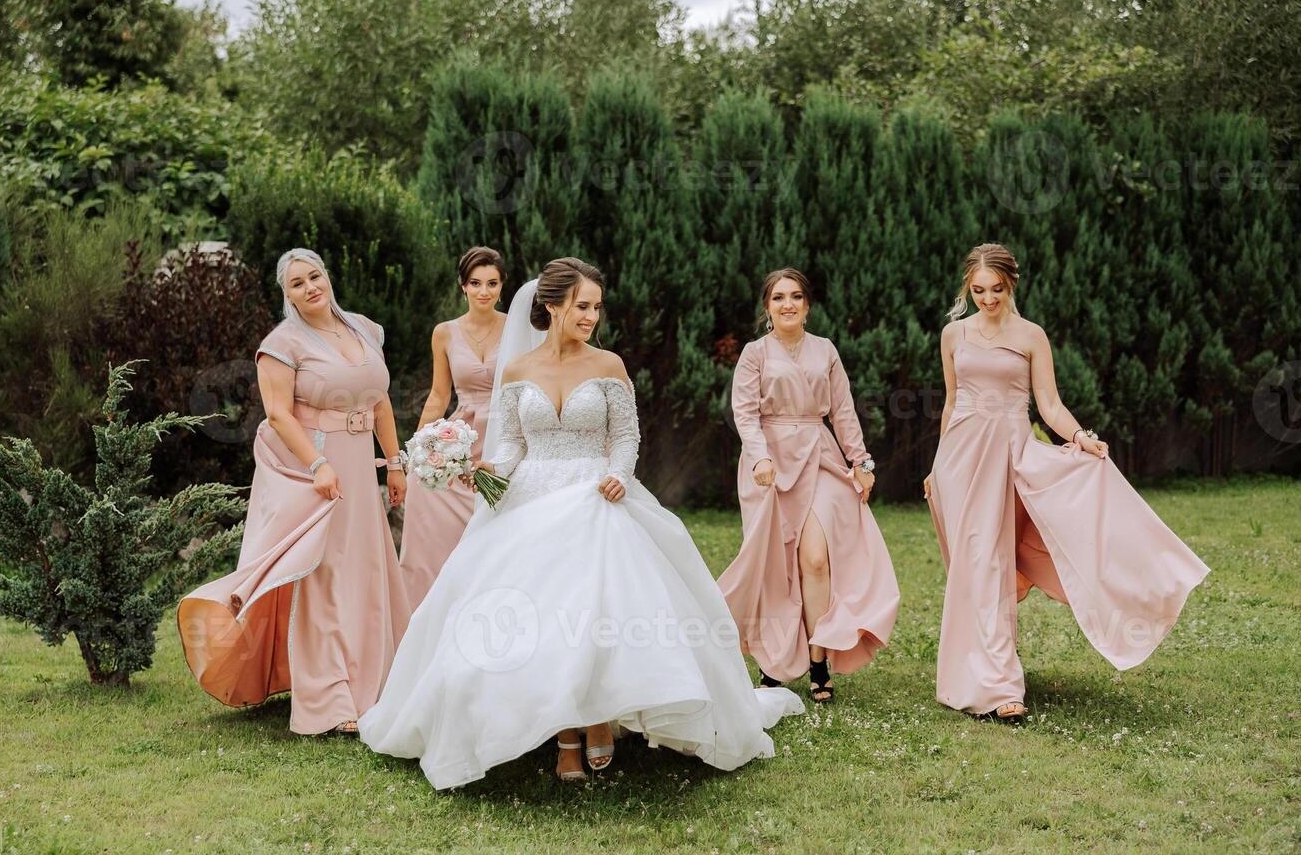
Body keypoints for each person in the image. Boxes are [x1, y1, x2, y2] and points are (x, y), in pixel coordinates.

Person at [359, 258, 804, 789]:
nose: (592, 315)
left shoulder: (609, 365)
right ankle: (565, 735)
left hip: (597, 495)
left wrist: (618, 473)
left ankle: (600, 716)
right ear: (552, 306)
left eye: (596, 306)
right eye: (582, 306)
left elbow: (626, 436)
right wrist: (483, 472)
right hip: (531, 499)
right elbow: (513, 447)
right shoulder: (520, 370)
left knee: (598, 614)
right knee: (539, 619)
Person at [925, 243, 1210, 722]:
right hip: (959, 461)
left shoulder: (1032, 336)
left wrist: (1082, 437)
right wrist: (936, 466)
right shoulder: (953, 335)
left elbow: (1049, 405)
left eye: (996, 289)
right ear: (967, 288)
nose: (987, 299)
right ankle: (974, 678)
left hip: (1009, 457)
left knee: (993, 561)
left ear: (1011, 284)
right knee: (973, 566)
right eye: (978, 291)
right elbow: (951, 403)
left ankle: (999, 688)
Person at [177, 248, 413, 735]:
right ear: (287, 296)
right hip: (316, 469)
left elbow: (381, 403)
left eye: (315, 276)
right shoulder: (281, 344)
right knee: (323, 577)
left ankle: (380, 683)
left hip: (361, 468)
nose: (310, 287)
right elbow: (280, 414)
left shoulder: (366, 330)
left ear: (327, 276)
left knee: (367, 569)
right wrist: (318, 464)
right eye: (297, 284)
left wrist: (394, 463)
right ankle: (331, 700)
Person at [718, 268, 900, 702]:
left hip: (819, 455)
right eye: (779, 297)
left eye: (796, 297)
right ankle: (774, 660)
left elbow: (842, 410)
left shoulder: (826, 350)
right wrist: (760, 455)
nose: (788, 305)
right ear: (767, 307)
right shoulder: (754, 353)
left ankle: (818, 658)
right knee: (775, 565)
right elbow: (744, 413)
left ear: (807, 304)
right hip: (771, 464)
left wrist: (860, 460)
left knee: (816, 560)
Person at [398, 246, 506, 606]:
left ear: (502, 285)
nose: (484, 292)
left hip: (505, 435)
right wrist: (416, 449)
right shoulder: (444, 333)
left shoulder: (520, 329)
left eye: (492, 283)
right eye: (475, 283)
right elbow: (438, 395)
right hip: (460, 438)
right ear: (463, 286)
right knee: (426, 505)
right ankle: (432, 608)